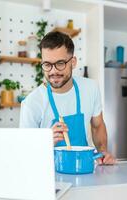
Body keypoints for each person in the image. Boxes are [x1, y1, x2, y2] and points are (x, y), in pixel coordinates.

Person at [20, 31, 115, 165]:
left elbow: (97, 126)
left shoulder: (90, 88)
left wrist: (103, 151)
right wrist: (44, 142)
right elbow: (25, 151)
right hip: (50, 174)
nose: (53, 71)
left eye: (60, 63)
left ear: (73, 62)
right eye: (47, 64)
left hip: (84, 167)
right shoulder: (32, 102)